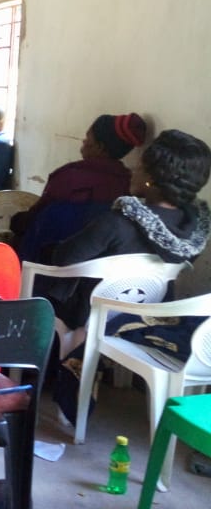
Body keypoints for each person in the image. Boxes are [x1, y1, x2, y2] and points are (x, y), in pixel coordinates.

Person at [40, 129, 211, 425]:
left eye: (140, 165)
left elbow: (64, 258)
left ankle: (32, 378)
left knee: (42, 281)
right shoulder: (193, 230)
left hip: (94, 312)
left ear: (150, 179)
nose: (133, 169)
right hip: (153, 310)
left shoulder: (117, 222)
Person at [12, 113, 147, 261]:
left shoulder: (69, 176)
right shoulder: (126, 181)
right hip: (97, 263)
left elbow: (38, 214)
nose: (83, 141)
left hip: (53, 258)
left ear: (100, 147)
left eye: (88, 137)